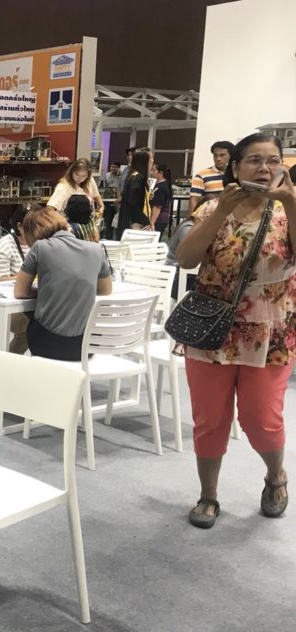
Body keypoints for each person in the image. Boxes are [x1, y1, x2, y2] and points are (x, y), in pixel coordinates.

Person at [175, 132, 295, 529]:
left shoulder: (288, 209)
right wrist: (220, 211)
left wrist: (292, 203)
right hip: (212, 328)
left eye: (273, 160)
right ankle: (208, 495)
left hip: (270, 332)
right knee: (210, 419)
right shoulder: (213, 207)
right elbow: (185, 259)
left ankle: (275, 475)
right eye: (254, 160)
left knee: (262, 420)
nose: (264, 168)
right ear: (236, 166)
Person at [14, 207, 112, 361]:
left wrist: (47, 291)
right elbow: (106, 290)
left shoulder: (40, 247)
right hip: (86, 345)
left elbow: (20, 292)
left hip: (46, 342)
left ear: (32, 231)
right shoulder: (96, 249)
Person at [0, 203, 34, 353]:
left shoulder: (37, 243)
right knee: (29, 330)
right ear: (19, 226)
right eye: (32, 225)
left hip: (29, 301)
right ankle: (6, 364)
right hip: (3, 303)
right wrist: (28, 277)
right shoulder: (4, 246)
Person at [188, 140, 234, 213]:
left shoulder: (236, 175)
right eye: (215, 155)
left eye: (222, 155)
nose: (218, 159)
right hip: (209, 216)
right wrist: (192, 218)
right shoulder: (202, 175)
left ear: (231, 156)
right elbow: (194, 200)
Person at [117, 149, 153, 238]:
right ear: (144, 161)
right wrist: (144, 220)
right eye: (150, 158)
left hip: (130, 220)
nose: (152, 161)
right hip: (135, 222)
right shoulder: (138, 178)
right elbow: (133, 202)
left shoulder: (133, 175)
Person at [150, 161, 173, 234]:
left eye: (154, 170)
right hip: (159, 218)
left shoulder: (161, 187)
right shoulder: (160, 184)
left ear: (160, 173)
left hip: (159, 219)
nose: (151, 172)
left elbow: (158, 206)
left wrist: (152, 222)